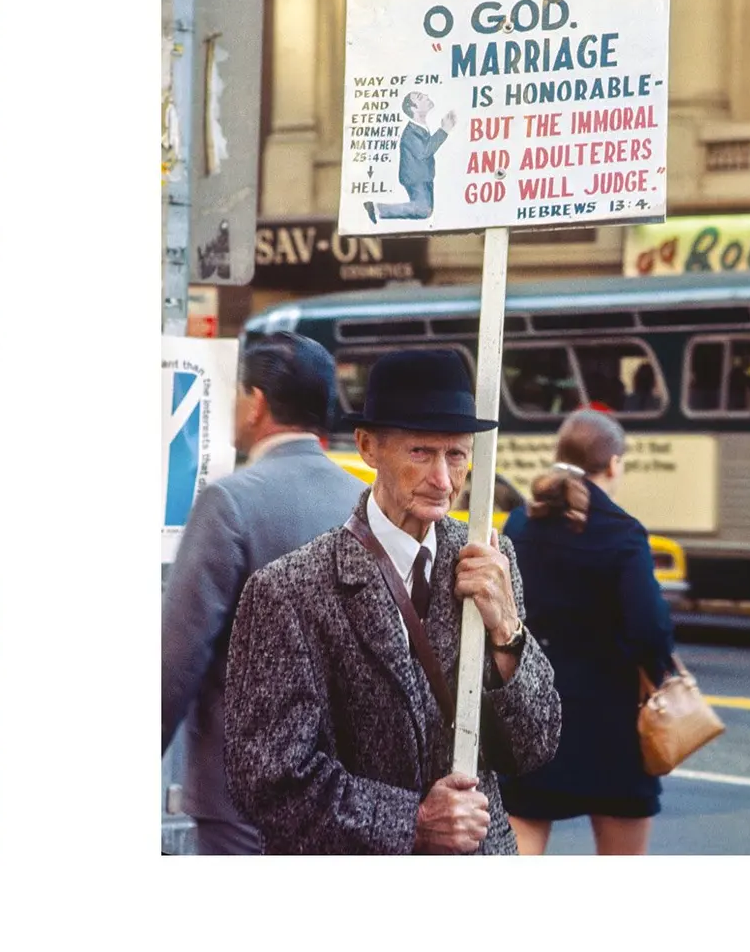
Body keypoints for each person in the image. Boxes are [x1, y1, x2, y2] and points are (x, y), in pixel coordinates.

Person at [223, 348, 560, 854]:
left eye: (457, 455)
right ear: (367, 447)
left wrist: (508, 633)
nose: (444, 481)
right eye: (421, 452)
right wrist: (415, 822)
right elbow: (268, 781)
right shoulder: (289, 591)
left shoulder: (491, 558)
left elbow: (535, 747)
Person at [162, 333, 368, 855]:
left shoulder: (231, 503)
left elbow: (179, 655)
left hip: (240, 796)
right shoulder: (365, 505)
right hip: (344, 789)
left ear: (256, 404)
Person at [499, 409, 675, 855]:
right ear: (613, 464)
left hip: (533, 714)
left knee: (520, 843)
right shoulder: (623, 534)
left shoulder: (520, 525)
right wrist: (655, 675)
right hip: (612, 726)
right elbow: (650, 629)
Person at [365, 91, 456, 225]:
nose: (426, 95)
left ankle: (377, 209)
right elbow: (425, 151)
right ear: (414, 108)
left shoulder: (420, 128)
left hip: (424, 175)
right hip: (415, 178)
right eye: (420, 97)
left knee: (426, 210)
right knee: (424, 210)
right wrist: (444, 130)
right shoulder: (410, 133)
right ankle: (376, 208)